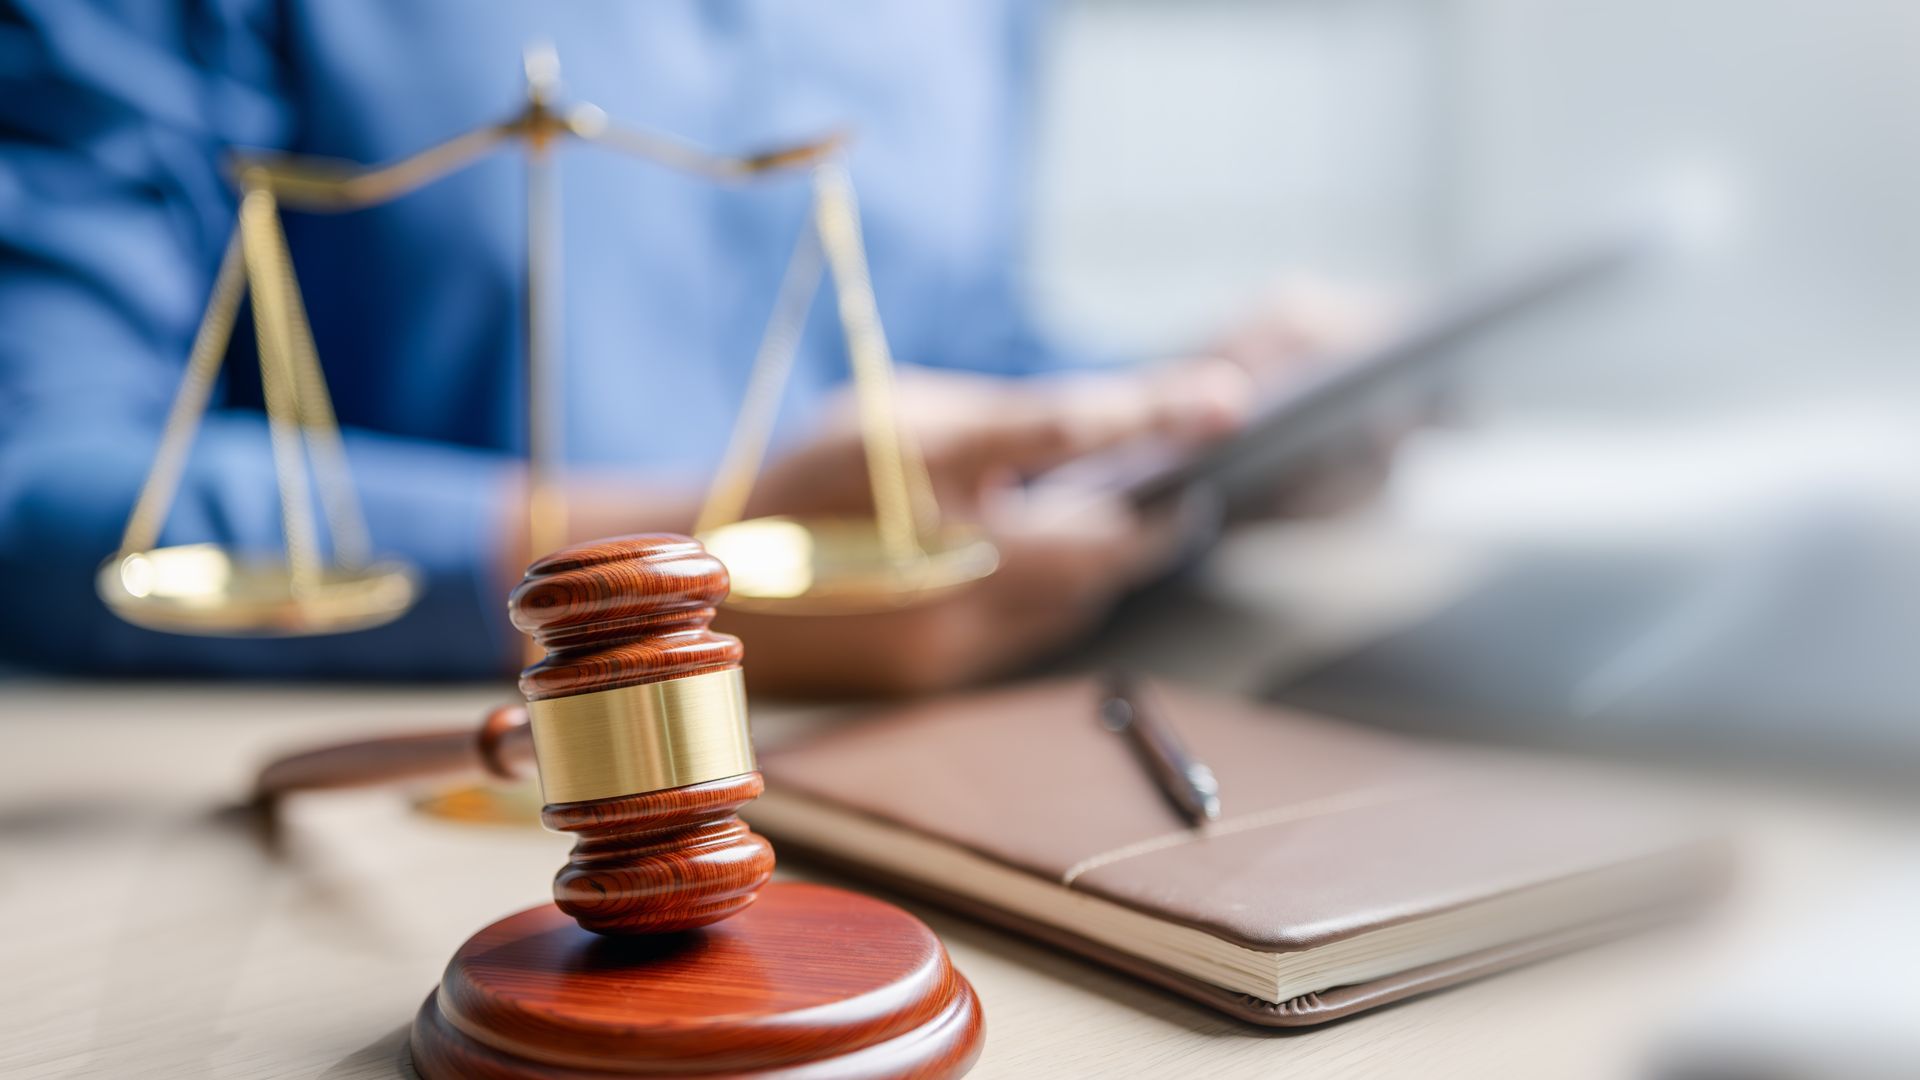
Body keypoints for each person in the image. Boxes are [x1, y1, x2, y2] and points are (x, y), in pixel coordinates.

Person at [0, 1, 1377, 692]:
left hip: (949, 741)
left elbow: (947, 338)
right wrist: (680, 577)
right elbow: (43, 476)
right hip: (401, 785)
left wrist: (1200, 409)